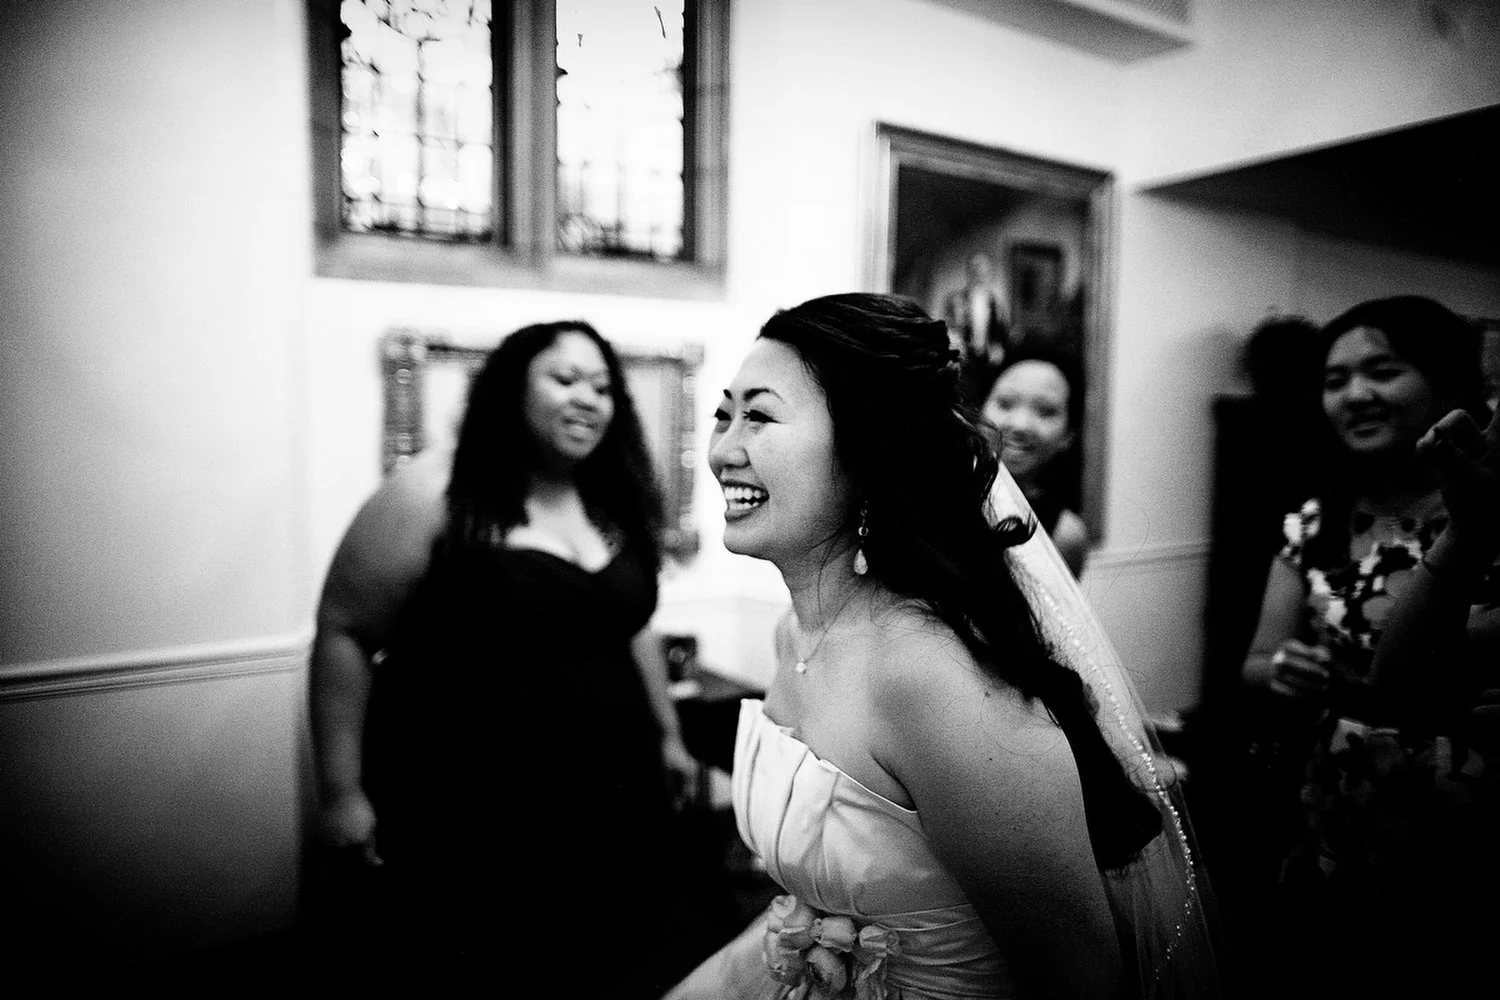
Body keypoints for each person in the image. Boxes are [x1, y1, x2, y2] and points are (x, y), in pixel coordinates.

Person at [668, 293, 1220, 999]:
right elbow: (812, 907)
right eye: (724, 414)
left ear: (867, 451)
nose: (723, 451)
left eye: (761, 416)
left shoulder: (934, 679)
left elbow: (1083, 981)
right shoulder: (795, 633)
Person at [306, 321, 736, 993]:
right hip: (473, 800)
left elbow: (631, 627)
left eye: (602, 387)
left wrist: (670, 738)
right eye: (564, 379)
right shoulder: (435, 489)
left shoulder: (610, 498)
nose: (588, 400)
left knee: (607, 960)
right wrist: (341, 794)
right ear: (510, 388)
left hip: (611, 792)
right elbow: (344, 632)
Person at [1236, 295, 1492, 996]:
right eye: (1335, 380)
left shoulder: (1487, 512)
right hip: (1340, 797)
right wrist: (1282, 670)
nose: (1356, 395)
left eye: (1382, 371)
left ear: (1450, 386)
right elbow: (1255, 663)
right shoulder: (1316, 521)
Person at [980, 345, 1089, 577]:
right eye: (1006, 403)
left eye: (1045, 411)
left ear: (1068, 435)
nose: (1020, 424)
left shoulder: (1065, 535)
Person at [941, 252, 1011, 404]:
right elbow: (949, 326)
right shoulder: (956, 300)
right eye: (976, 270)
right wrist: (956, 342)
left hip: (986, 358)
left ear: (989, 274)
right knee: (964, 394)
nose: (980, 275)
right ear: (969, 272)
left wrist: (997, 346)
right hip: (964, 355)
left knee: (985, 395)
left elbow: (1001, 330)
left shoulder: (996, 302)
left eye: (984, 271)